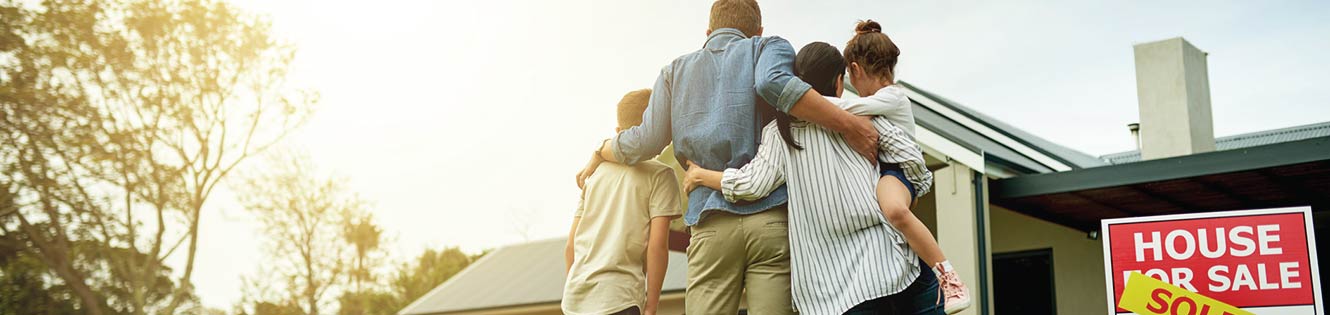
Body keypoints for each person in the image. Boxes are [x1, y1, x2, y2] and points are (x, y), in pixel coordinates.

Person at [572, 1, 881, 313]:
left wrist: (602, 150)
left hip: (711, 221)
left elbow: (644, 141)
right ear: (758, 32)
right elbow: (772, 82)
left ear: (708, 32)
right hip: (770, 218)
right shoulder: (768, 47)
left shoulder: (674, 72)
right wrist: (850, 124)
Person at [682, 36, 954, 315]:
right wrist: (909, 191)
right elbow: (910, 157)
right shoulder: (862, 119)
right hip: (892, 262)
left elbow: (751, 185)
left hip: (833, 290)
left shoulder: (780, 133)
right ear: (838, 82)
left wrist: (701, 176)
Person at [841, 20, 972, 313]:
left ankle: (949, 277)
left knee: (895, 210)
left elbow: (845, 110)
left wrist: (805, 102)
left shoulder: (892, 97)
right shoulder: (884, 99)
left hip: (899, 172)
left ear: (856, 70)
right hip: (890, 173)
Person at [563, 89, 682, 315]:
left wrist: (574, 289)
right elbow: (656, 246)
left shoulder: (594, 175)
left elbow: (571, 246)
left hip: (575, 300)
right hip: (620, 298)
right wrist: (651, 304)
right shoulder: (661, 175)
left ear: (618, 132)